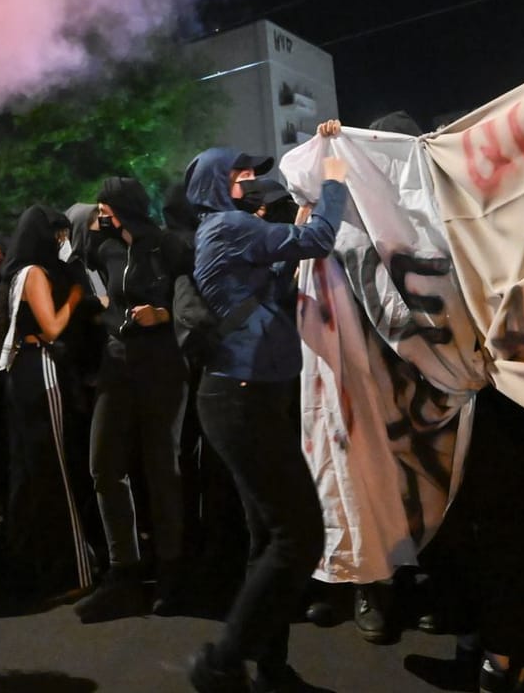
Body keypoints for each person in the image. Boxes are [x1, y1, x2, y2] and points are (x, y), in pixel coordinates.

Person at [184, 128, 349, 693]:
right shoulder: (230, 226)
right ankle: (223, 662)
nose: (251, 180)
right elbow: (321, 240)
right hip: (242, 396)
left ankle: (271, 669)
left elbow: (277, 275)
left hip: (252, 393)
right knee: (298, 535)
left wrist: (299, 220)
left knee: (270, 537)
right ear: (218, 184)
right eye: (241, 174)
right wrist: (334, 184)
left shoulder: (229, 230)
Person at [72, 177, 196, 622]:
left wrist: (163, 314)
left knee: (163, 468)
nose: (99, 214)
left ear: (120, 207)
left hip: (163, 364)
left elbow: (196, 302)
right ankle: (124, 569)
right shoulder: (103, 248)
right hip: (117, 364)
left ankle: (171, 572)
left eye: (104, 207)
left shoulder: (170, 246)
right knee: (104, 464)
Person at [0, 205, 96, 598]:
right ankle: (73, 571)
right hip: (40, 370)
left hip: (21, 373)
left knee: (28, 471)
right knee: (55, 468)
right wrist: (73, 295)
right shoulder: (34, 274)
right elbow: (52, 327)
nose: (62, 242)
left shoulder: (13, 274)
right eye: (57, 235)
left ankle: (27, 564)